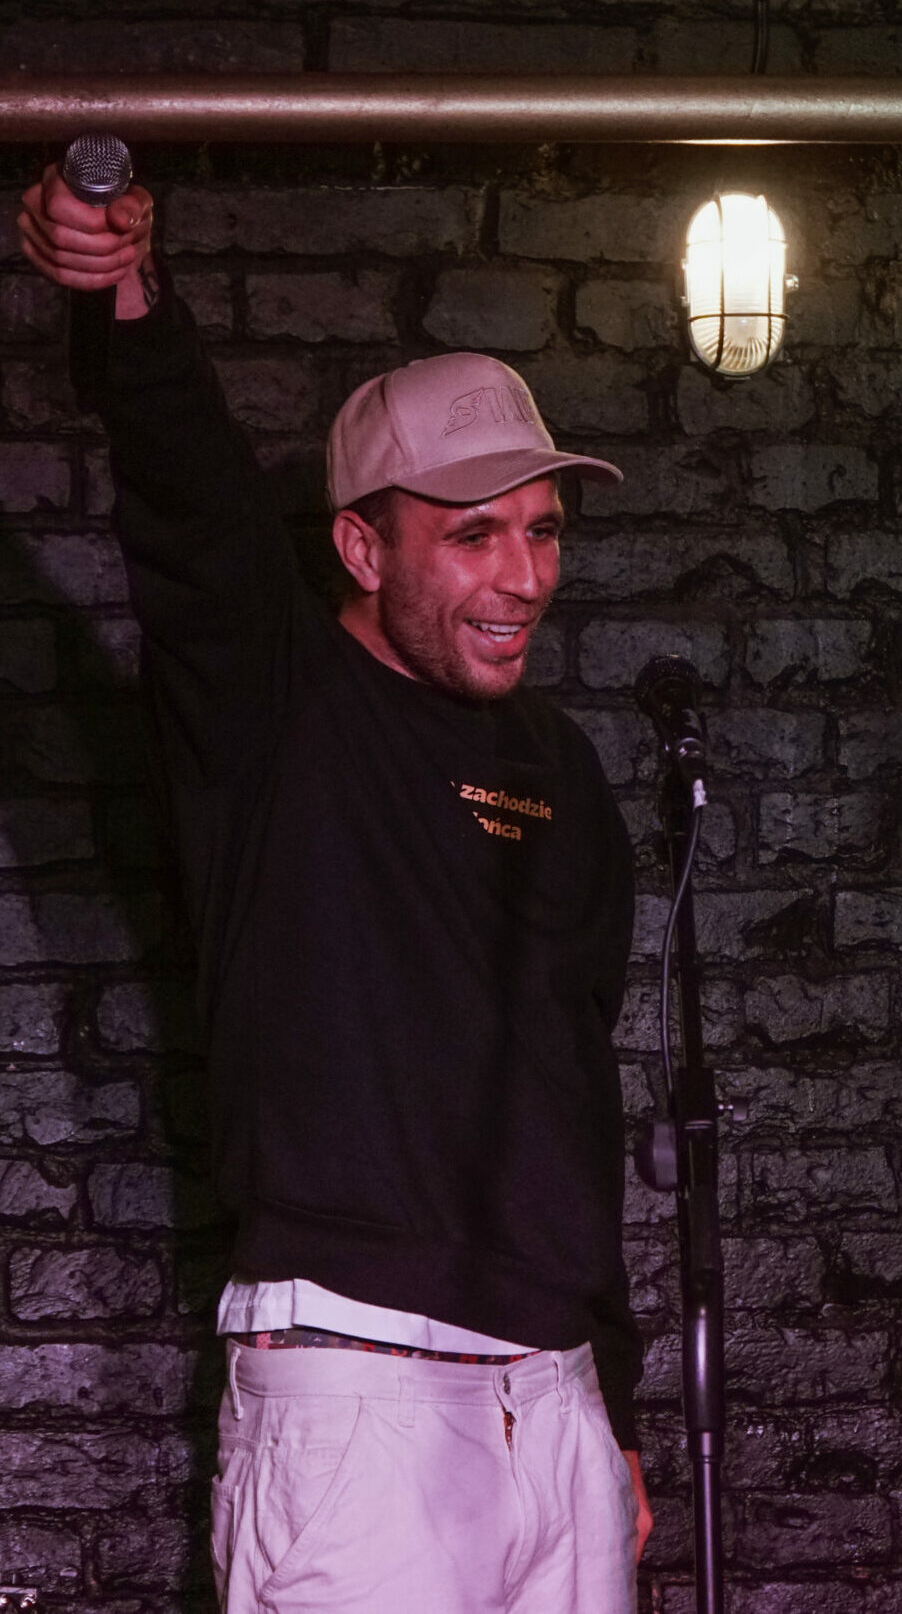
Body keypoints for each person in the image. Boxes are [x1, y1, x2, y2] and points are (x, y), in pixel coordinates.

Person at [17, 163, 653, 1614]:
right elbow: (189, 498)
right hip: (360, 1393)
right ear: (362, 546)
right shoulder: (279, 705)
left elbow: (571, 1094)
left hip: (552, 1400)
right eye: (474, 533)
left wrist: (608, 1399)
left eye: (545, 528)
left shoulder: (560, 770)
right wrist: (125, 293)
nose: (524, 575)